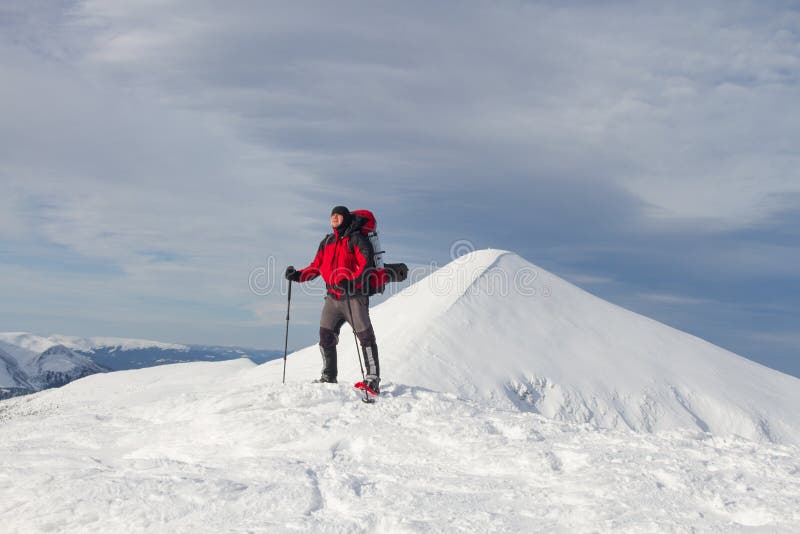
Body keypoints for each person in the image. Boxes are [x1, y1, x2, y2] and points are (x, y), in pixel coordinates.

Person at [284, 206, 380, 394]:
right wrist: (297, 275)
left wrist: (352, 283)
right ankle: (329, 376)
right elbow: (316, 266)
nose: (334, 217)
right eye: (332, 215)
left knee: (365, 337)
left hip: (354, 297)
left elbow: (366, 265)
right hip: (332, 297)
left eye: (338, 215)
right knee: (325, 335)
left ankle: (372, 379)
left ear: (345, 218)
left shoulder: (357, 239)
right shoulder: (327, 241)